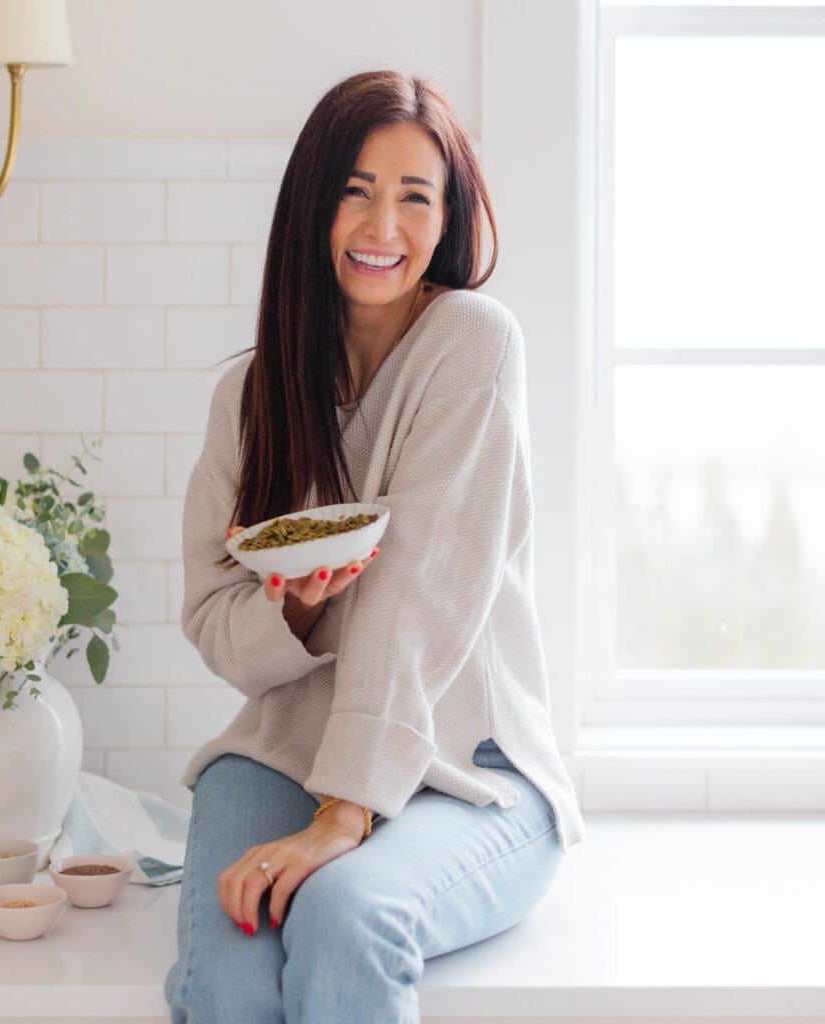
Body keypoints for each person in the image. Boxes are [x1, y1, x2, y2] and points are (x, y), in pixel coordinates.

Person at [163, 69, 586, 1024]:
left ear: (449, 218)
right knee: (226, 969)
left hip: (470, 766)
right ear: (314, 205)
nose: (380, 227)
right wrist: (297, 609)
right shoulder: (251, 396)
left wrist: (344, 811)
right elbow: (211, 616)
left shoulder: (472, 344)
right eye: (355, 190)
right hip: (277, 753)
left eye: (413, 197)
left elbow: (420, 592)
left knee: (346, 914)